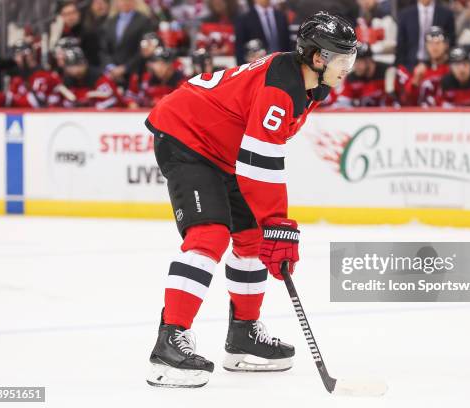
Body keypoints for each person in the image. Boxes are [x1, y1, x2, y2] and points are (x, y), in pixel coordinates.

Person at [144, 11, 357, 388]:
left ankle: (243, 337)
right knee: (209, 235)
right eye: (342, 59)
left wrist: (272, 228)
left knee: (252, 240)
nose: (348, 68)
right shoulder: (283, 86)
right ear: (318, 58)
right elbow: (261, 160)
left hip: (226, 153)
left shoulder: (310, 87)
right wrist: (278, 223)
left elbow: (257, 156)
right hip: (187, 137)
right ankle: (168, 344)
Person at [330, 42, 402, 107]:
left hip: (389, 117)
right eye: (354, 62)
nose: (355, 66)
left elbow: (402, 100)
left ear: (368, 61)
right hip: (364, 118)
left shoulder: (388, 72)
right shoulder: (352, 78)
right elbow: (343, 101)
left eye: (358, 62)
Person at [99, 0, 154, 84]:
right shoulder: (110, 21)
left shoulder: (144, 21)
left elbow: (144, 50)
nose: (124, 2)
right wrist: (111, 67)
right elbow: (104, 49)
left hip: (135, 73)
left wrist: (125, 68)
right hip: (112, 75)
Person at [395, 0, 456, 70]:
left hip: (438, 65)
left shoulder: (446, 14)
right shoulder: (405, 14)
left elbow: (452, 41)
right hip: (410, 65)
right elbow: (401, 44)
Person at [56, 47, 125, 109]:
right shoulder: (68, 80)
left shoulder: (99, 78)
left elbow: (113, 101)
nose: (67, 69)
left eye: (70, 65)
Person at [6, 41, 62, 108]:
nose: (15, 59)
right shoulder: (17, 78)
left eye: (18, 55)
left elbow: (35, 103)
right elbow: (9, 102)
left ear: (29, 55)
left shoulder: (45, 76)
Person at [234, 0, 291, 64]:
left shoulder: (281, 16)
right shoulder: (244, 18)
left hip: (280, 64)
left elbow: (287, 43)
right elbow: (240, 47)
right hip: (257, 66)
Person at [405, 25, 450, 106]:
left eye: (438, 42)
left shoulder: (452, 69)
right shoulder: (421, 70)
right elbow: (408, 100)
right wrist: (416, 80)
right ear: (426, 46)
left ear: (446, 45)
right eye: (430, 43)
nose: (434, 47)